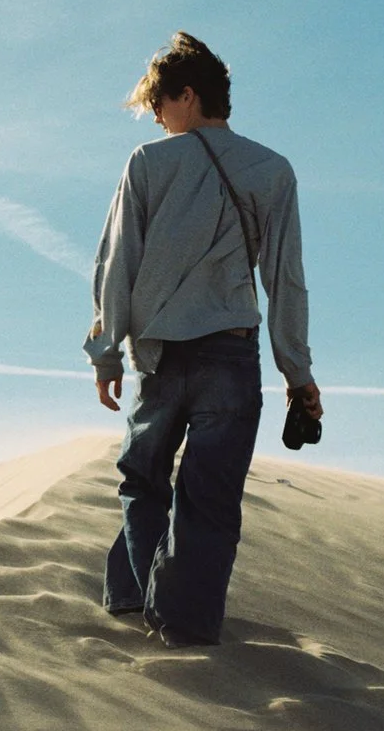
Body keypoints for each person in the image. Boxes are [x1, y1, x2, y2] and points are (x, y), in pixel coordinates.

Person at [85, 32, 320, 646]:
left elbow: (116, 264)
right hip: (231, 356)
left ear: (188, 95)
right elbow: (285, 280)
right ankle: (182, 630)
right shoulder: (271, 169)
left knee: (144, 483)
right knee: (210, 502)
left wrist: (107, 351)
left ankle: (140, 607)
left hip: (160, 357)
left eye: (160, 103)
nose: (157, 118)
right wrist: (297, 373)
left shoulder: (148, 163)